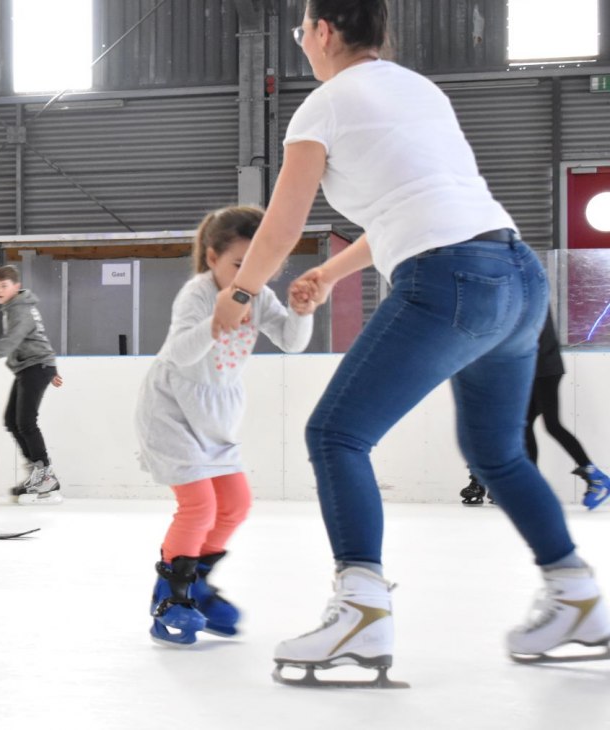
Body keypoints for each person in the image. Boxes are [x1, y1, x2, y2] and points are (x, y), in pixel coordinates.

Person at [210, 0, 608, 684]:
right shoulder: (419, 90)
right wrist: (331, 274)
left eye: (303, 29)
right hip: (516, 276)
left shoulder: (326, 104)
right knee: (497, 453)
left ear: (325, 31)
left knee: (337, 433)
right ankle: (575, 595)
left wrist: (240, 292)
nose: (302, 40)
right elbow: (425, 202)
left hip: (449, 277)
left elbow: (279, 225)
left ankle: (361, 607)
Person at [137, 206, 312, 645]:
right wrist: (216, 324)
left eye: (263, 265)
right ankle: (172, 594)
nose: (251, 275)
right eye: (240, 264)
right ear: (213, 257)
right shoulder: (198, 293)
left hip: (216, 414)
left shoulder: (261, 296)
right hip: (172, 410)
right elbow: (177, 354)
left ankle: (194, 581)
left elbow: (291, 343)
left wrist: (300, 310)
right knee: (198, 506)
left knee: (234, 503)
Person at [461, 311, 608, 509]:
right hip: (538, 369)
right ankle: (533, 486)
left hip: (545, 370)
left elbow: (526, 335)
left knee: (552, 425)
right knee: (525, 424)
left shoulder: (530, 295)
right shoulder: (525, 294)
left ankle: (596, 478)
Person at [0, 265, 64, 504]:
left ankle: (45, 475)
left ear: (15, 285)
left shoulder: (19, 309)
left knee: (25, 421)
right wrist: (51, 367)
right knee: (12, 421)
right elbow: (36, 338)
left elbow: (9, 344)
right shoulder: (15, 307)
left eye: (3, 286)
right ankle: (39, 472)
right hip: (32, 367)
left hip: (36, 366)